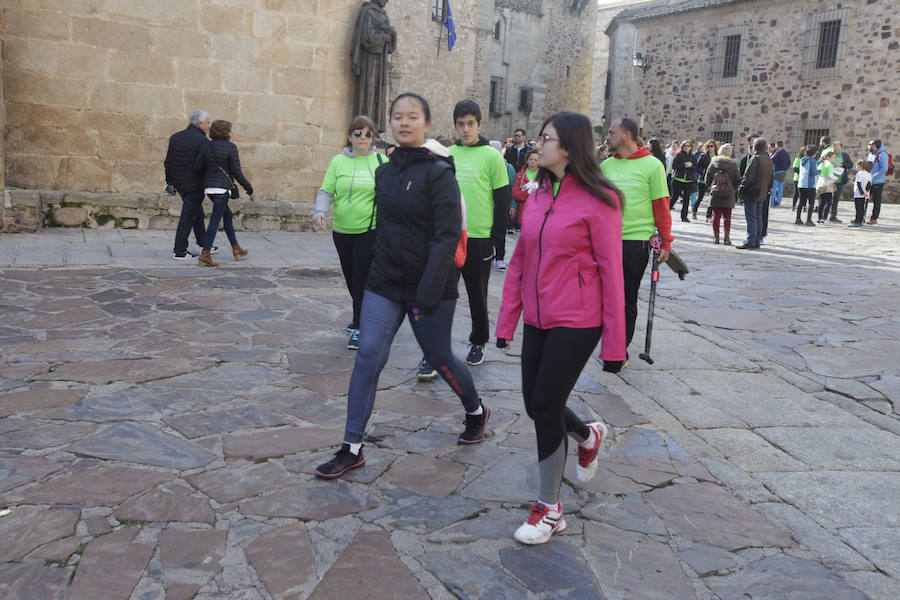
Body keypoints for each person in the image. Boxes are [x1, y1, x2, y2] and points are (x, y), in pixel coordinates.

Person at [315, 93, 490, 480]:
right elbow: (384, 228)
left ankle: (475, 410)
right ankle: (352, 446)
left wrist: (427, 292)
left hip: (430, 286)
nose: (404, 122)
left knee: (440, 356)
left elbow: (446, 237)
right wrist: (373, 270)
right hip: (385, 282)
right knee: (368, 357)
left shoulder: (440, 173)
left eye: (413, 117)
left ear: (427, 124)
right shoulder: (384, 170)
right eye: (397, 117)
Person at [495, 111, 626, 545]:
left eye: (546, 138)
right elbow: (520, 263)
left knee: (547, 407)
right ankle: (588, 435)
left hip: (579, 318)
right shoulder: (536, 194)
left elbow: (612, 272)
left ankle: (549, 509)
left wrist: (614, 345)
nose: (538, 143)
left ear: (568, 146)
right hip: (538, 314)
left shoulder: (600, 199)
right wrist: (507, 321)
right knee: (535, 405)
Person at [418, 99, 508, 376]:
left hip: (479, 237)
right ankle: (434, 353)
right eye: (461, 124)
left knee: (477, 294)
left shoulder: (492, 157)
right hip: (449, 236)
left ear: (480, 125)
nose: (466, 129)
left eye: (471, 124)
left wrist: (497, 239)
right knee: (441, 296)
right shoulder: (448, 154)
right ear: (455, 126)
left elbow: (502, 200)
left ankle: (478, 341)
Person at [313, 116, 385, 350]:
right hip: (342, 230)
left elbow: (392, 194)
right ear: (349, 136)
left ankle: (359, 326)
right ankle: (365, 316)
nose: (362, 138)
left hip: (369, 229)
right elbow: (326, 190)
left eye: (367, 133)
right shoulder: (338, 162)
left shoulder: (381, 161)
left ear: (373, 137)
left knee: (361, 277)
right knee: (351, 276)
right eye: (358, 133)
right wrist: (319, 212)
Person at [602, 118, 673, 349]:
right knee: (604, 297)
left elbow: (661, 205)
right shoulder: (605, 167)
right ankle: (607, 338)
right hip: (605, 241)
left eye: (612, 133)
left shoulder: (653, 165)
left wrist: (666, 242)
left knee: (625, 298)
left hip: (636, 242)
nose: (607, 137)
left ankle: (619, 348)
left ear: (627, 135)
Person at [195, 120, 253, 267]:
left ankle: (236, 248)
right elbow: (236, 171)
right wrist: (248, 187)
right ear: (227, 132)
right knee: (215, 221)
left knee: (227, 215)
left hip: (209, 189)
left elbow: (198, 167)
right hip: (222, 189)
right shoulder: (231, 147)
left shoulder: (206, 146)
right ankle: (205, 254)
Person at [165, 109, 213, 260]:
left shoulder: (175, 137)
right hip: (195, 185)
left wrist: (170, 182)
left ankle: (203, 243)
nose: (209, 126)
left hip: (179, 184)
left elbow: (168, 162)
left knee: (196, 212)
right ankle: (180, 251)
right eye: (207, 123)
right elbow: (204, 165)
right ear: (200, 123)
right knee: (188, 216)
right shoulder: (203, 141)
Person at [737, 137, 773, 249]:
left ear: (755, 147)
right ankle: (757, 240)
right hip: (762, 192)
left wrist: (741, 189)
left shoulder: (755, 159)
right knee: (758, 217)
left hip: (752, 192)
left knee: (752, 217)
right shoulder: (768, 159)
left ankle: (751, 240)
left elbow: (748, 177)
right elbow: (772, 177)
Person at [704, 143, 739, 245]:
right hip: (728, 194)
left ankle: (716, 238)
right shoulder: (733, 165)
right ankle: (727, 238)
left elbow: (707, 178)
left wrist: (711, 188)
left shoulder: (713, 163)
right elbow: (737, 179)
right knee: (727, 217)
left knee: (716, 216)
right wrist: (733, 189)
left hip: (715, 193)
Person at [489, 140, 516, 269]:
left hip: (501, 205)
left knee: (500, 231)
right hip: (487, 207)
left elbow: (512, 188)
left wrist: (513, 205)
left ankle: (500, 257)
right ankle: (490, 255)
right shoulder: (486, 164)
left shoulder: (508, 168)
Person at [511, 150, 540, 230]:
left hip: (539, 214)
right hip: (523, 213)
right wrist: (529, 194)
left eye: (536, 160)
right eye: (530, 159)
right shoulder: (520, 175)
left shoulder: (544, 175)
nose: (533, 162)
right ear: (527, 160)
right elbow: (515, 194)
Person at [669, 140, 697, 222]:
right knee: (674, 197)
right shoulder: (679, 155)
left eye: (688, 146)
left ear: (691, 147)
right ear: (682, 147)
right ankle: (666, 213)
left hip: (688, 181)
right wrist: (684, 165)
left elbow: (695, 168)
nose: (686, 147)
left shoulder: (693, 157)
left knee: (686, 199)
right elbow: (674, 166)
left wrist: (691, 165)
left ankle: (684, 217)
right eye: (685, 145)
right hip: (678, 179)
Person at [827, 141, 852, 223]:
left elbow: (850, 165)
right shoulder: (828, 154)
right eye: (834, 148)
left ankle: (833, 216)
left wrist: (843, 164)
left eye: (837, 148)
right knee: (827, 198)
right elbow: (822, 164)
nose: (835, 150)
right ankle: (824, 215)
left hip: (840, 180)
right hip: (829, 180)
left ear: (840, 147)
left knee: (836, 199)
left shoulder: (844, 155)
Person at [795, 145, 820, 226]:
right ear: (815, 153)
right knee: (811, 202)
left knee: (801, 201)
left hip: (801, 184)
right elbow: (813, 172)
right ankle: (808, 220)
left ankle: (798, 219)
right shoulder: (813, 161)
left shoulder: (803, 159)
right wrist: (820, 170)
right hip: (810, 184)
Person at [866, 139, 888, 224]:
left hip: (878, 182)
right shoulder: (870, 154)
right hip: (868, 180)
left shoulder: (883, 155)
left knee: (876, 200)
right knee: (864, 199)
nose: (869, 146)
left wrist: (873, 176)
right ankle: (861, 216)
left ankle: (874, 218)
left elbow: (884, 169)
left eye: (871, 145)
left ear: (876, 146)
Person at [694, 140, 717, 221]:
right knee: (700, 197)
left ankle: (708, 216)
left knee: (712, 199)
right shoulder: (703, 156)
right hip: (703, 180)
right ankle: (694, 211)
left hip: (713, 181)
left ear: (715, 147)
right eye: (708, 146)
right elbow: (697, 167)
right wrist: (703, 173)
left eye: (711, 146)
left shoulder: (717, 156)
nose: (710, 148)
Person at [815, 149, 838, 223]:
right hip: (827, 185)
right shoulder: (829, 164)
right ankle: (825, 218)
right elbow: (830, 175)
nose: (834, 159)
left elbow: (818, 172)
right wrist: (836, 178)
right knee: (828, 202)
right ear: (828, 157)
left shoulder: (822, 163)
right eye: (833, 157)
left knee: (821, 202)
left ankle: (819, 218)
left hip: (821, 183)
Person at [849, 160, 872, 227]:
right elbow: (869, 184)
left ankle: (857, 221)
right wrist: (866, 192)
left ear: (860, 166)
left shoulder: (859, 173)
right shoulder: (868, 173)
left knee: (858, 208)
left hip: (859, 194)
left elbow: (858, 184)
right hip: (865, 194)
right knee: (862, 208)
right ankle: (860, 220)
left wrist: (862, 192)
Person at [770, 140, 790, 207]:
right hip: (784, 171)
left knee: (774, 187)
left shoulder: (778, 152)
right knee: (780, 187)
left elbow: (771, 160)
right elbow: (789, 162)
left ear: (777, 145)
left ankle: (772, 202)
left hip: (777, 171)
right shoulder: (786, 153)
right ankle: (778, 201)